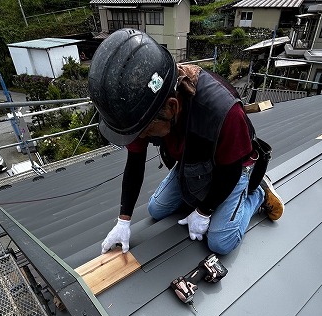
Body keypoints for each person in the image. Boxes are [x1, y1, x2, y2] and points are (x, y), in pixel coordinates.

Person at [88, 28, 284, 256]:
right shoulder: (144, 112)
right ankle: (206, 193)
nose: (141, 138)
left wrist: (204, 211)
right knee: (156, 208)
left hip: (233, 165)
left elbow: (230, 170)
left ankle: (257, 194)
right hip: (194, 160)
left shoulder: (222, 112)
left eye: (144, 132)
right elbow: (135, 161)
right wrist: (124, 220)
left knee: (220, 242)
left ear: (172, 107)